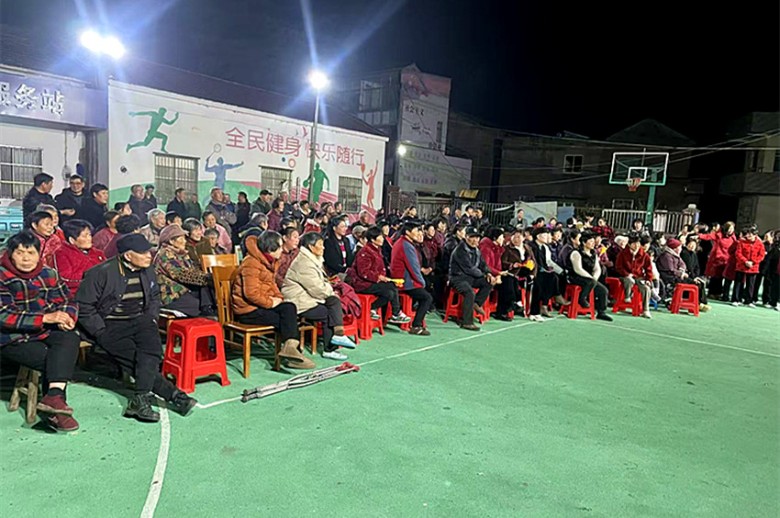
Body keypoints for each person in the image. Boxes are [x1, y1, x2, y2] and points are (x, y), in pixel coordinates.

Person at [76, 234, 197, 422]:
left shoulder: (148, 270)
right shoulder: (100, 273)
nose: (149, 255)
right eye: (143, 252)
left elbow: (154, 296)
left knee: (153, 353)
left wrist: (152, 318)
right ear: (127, 255)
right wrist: (99, 330)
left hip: (141, 319)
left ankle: (140, 400)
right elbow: (84, 306)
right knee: (136, 360)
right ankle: (174, 396)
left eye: (149, 251)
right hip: (110, 323)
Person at [0, 231, 81, 432]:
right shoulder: (2, 276)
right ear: (10, 254)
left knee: (70, 338)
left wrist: (67, 316)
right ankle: (55, 414)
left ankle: (53, 398)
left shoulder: (48, 273)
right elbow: (4, 315)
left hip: (45, 331)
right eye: (20, 253)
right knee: (54, 360)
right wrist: (45, 318)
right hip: (12, 337)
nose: (26, 258)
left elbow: (67, 300)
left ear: (39, 254)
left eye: (31, 253)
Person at [232, 230, 314, 369]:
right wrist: (271, 302)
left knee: (289, 307)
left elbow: (272, 284)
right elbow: (250, 294)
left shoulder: (269, 261)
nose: (282, 250)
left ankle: (290, 349)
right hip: (247, 310)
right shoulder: (251, 263)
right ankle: (291, 354)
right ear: (270, 249)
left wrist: (279, 298)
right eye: (280, 247)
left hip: (262, 304)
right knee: (286, 321)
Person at [282, 232, 357, 361]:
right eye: (320, 245)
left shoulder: (313, 259)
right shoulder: (304, 263)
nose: (323, 247)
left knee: (333, 301)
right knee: (329, 312)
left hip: (309, 297)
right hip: (298, 301)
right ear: (311, 247)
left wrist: (331, 291)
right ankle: (330, 348)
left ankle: (338, 335)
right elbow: (317, 289)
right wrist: (331, 290)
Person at [347, 226, 411, 323]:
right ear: (372, 239)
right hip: (362, 284)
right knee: (390, 288)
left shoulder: (377, 250)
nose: (382, 239)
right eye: (380, 237)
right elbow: (363, 272)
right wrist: (378, 277)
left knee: (390, 291)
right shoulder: (365, 252)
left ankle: (373, 309)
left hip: (372, 282)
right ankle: (395, 313)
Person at [153, 224, 214, 316]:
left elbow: (193, 271)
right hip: (172, 295)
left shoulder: (182, 254)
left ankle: (208, 310)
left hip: (186, 290)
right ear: (171, 241)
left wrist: (207, 277)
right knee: (197, 306)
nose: (185, 241)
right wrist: (207, 278)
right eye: (181, 238)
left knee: (209, 294)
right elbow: (181, 274)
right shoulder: (165, 255)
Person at [389, 222, 433, 335]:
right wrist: (421, 282)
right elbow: (413, 267)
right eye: (416, 231)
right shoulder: (406, 246)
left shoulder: (402, 242)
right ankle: (416, 326)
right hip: (404, 282)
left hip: (402, 279)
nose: (419, 233)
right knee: (427, 298)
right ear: (408, 232)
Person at [47, 219, 106, 299]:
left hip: (100, 292)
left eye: (89, 235)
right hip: (76, 295)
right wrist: (91, 276)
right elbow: (65, 278)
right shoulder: (61, 253)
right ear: (72, 240)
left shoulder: (98, 253)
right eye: (84, 236)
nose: (89, 238)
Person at [449, 227, 494, 330]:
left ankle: (476, 303)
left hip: (471, 277)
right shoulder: (460, 250)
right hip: (458, 278)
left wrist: (488, 273)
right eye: (472, 237)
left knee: (488, 282)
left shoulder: (477, 250)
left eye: (477, 237)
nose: (475, 240)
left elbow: (483, 264)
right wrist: (483, 275)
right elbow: (469, 269)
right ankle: (466, 322)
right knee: (470, 293)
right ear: (466, 237)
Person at [567, 231, 613, 321]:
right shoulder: (576, 253)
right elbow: (578, 269)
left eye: (593, 241)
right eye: (591, 241)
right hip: (576, 277)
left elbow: (597, 268)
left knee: (603, 290)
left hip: (590, 279)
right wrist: (590, 278)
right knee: (590, 282)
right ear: (584, 243)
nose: (593, 243)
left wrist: (595, 277)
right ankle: (582, 298)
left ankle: (601, 312)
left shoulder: (593, 253)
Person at [527, 227, 568, 321]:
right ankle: (535, 311)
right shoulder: (531, 247)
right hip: (532, 272)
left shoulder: (544, 247)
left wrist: (553, 269)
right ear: (538, 236)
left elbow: (547, 262)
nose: (547, 237)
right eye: (545, 235)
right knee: (540, 283)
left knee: (553, 277)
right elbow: (531, 261)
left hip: (542, 271)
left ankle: (544, 305)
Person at [657, 238, 709, 312]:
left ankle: (701, 302)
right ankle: (697, 303)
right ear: (675, 248)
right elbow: (671, 270)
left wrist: (682, 270)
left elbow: (683, 264)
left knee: (699, 283)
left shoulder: (676, 255)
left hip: (677, 276)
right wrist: (681, 273)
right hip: (670, 277)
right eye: (679, 247)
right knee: (694, 283)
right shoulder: (666, 256)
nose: (681, 249)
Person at [615, 233, 654, 318]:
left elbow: (649, 269)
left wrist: (648, 279)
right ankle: (627, 296)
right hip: (625, 276)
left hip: (639, 277)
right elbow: (618, 267)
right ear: (629, 244)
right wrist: (627, 274)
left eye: (638, 243)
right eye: (634, 244)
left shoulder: (644, 255)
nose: (636, 246)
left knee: (646, 288)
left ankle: (646, 310)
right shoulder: (623, 253)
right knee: (629, 280)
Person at [479, 226, 514, 319]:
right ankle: (501, 311)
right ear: (495, 238)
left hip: (495, 274)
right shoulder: (485, 248)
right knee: (506, 284)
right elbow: (485, 266)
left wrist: (499, 274)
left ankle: (511, 305)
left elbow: (498, 265)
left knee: (511, 278)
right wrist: (498, 273)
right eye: (501, 237)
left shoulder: (498, 249)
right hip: (486, 275)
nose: (503, 239)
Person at [501, 228, 537, 315]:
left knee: (537, 282)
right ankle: (517, 303)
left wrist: (533, 274)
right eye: (514, 237)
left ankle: (532, 309)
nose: (516, 239)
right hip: (513, 272)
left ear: (523, 238)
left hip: (526, 272)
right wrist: (512, 265)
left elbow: (534, 262)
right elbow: (503, 262)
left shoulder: (528, 248)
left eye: (518, 237)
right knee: (513, 280)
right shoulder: (507, 249)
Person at [699, 221, 737, 300]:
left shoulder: (733, 237)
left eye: (732, 229)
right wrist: (699, 236)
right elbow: (708, 236)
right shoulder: (719, 235)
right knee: (715, 277)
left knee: (722, 277)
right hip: (717, 259)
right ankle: (712, 293)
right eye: (729, 228)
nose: (731, 230)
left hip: (726, 260)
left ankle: (719, 293)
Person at [732, 226, 766, 307]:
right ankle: (736, 299)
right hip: (741, 265)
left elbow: (761, 255)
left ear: (755, 235)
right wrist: (745, 261)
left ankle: (748, 300)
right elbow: (738, 253)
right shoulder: (741, 242)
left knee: (750, 284)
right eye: (748, 234)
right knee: (738, 283)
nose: (748, 236)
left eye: (750, 235)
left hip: (753, 267)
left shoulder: (760, 244)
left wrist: (753, 262)